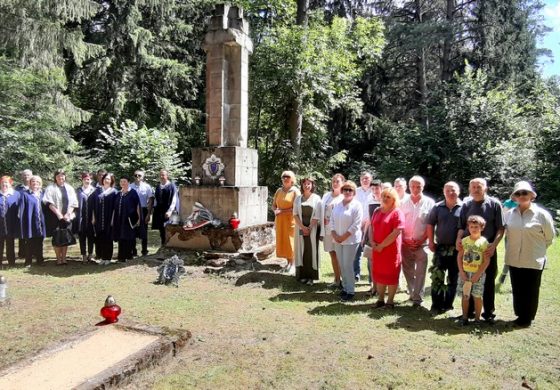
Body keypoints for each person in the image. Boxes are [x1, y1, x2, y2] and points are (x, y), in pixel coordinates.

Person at [504, 181, 556, 327]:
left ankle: (527, 318)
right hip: (514, 258)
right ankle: (520, 314)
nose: (521, 196)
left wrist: (537, 250)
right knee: (517, 288)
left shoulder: (542, 215)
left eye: (524, 193)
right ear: (514, 197)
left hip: (533, 258)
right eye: (518, 193)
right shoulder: (509, 215)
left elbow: (549, 237)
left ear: (531, 195)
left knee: (531, 290)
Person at [455, 178, 504, 323]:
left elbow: (501, 228)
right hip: (469, 251)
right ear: (470, 189)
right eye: (473, 187)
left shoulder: (494, 204)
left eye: (479, 186)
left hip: (486, 251)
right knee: (468, 280)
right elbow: (461, 226)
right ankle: (468, 313)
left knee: (487, 282)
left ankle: (488, 314)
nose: (476, 189)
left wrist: (494, 245)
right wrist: (458, 239)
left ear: (486, 188)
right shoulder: (466, 205)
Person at [427, 181, 462, 314]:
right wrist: (430, 241)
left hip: (457, 249)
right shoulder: (437, 207)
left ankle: (448, 305)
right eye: (448, 190)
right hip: (440, 248)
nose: (451, 193)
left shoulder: (464, 207)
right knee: (437, 277)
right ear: (443, 192)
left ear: (458, 191)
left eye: (453, 190)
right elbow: (430, 224)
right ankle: (436, 305)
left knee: (453, 278)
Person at [400, 175, 435, 307]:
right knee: (407, 269)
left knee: (420, 271)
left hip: (422, 243)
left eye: (418, 186)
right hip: (405, 242)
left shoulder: (430, 202)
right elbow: (399, 223)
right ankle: (412, 292)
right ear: (409, 187)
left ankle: (418, 297)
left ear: (423, 187)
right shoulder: (402, 202)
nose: (415, 189)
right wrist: (404, 239)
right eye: (413, 186)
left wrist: (421, 240)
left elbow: (430, 225)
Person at [371, 187, 405, 309]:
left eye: (388, 197)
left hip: (390, 250)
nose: (385, 198)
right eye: (384, 196)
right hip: (377, 249)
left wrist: (382, 245)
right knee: (379, 274)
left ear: (394, 200)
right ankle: (380, 300)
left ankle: (390, 302)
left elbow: (396, 232)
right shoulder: (376, 211)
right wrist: (372, 242)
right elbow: (371, 227)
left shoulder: (397, 213)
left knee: (391, 275)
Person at [330, 180, 363, 301]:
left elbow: (356, 224)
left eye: (350, 190)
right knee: (341, 264)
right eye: (345, 189)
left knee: (347, 265)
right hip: (337, 240)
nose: (347, 192)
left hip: (351, 240)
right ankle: (344, 288)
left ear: (354, 192)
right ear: (342, 191)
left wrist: (343, 236)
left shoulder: (357, 205)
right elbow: (332, 221)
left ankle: (351, 291)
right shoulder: (338, 204)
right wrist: (334, 235)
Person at [457, 215, 490, 326]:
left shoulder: (484, 242)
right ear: (468, 228)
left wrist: (478, 274)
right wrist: (461, 272)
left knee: (477, 296)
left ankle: (477, 319)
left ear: (482, 228)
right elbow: (459, 256)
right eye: (471, 227)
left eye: (476, 227)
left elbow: (486, 261)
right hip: (465, 273)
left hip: (478, 274)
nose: (474, 229)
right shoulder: (465, 241)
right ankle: (465, 318)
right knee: (465, 295)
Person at [43, 169, 78, 265]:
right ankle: (58, 259)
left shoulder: (70, 188)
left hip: (67, 217)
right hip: (55, 217)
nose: (61, 178)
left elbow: (74, 203)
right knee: (57, 238)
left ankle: (64, 258)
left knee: (65, 237)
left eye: (62, 176)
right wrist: (58, 214)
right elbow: (48, 202)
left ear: (65, 177)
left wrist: (68, 214)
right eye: (58, 176)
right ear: (55, 177)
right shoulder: (50, 188)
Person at [293, 177, 322, 285]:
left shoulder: (317, 198)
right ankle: (302, 275)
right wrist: (302, 227)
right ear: (302, 185)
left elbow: (317, 215)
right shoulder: (298, 199)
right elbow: (295, 214)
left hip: (312, 229)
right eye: (304, 184)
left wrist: (309, 228)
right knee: (301, 250)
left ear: (312, 185)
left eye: (309, 184)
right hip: (300, 228)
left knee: (310, 251)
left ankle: (311, 277)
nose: (306, 185)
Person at [272, 170, 300, 274]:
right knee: (283, 241)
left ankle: (293, 265)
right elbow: (274, 204)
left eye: (287, 177)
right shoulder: (279, 191)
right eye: (283, 176)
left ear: (292, 179)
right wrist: (275, 210)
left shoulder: (295, 191)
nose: (285, 178)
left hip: (291, 221)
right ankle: (288, 263)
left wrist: (282, 211)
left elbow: (297, 208)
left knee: (291, 242)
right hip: (280, 221)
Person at [321, 174, 345, 287]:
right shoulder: (326, 195)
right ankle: (337, 279)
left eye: (338, 181)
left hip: (338, 231)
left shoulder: (344, 196)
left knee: (340, 255)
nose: (335, 183)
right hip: (327, 230)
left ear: (343, 183)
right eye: (333, 181)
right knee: (332, 254)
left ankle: (344, 280)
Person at [113, 176, 142, 262]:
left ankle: (129, 256)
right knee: (121, 238)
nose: (122, 183)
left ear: (128, 182)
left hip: (130, 219)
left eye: (124, 181)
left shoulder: (133, 192)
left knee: (129, 238)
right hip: (120, 219)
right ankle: (121, 257)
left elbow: (137, 206)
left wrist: (139, 219)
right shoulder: (118, 193)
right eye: (121, 181)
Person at [20, 176, 46, 267]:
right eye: (33, 182)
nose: (35, 183)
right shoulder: (25, 194)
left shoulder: (43, 194)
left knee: (40, 241)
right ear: (30, 183)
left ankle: (40, 260)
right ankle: (28, 261)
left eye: (37, 182)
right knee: (29, 242)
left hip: (40, 222)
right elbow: (22, 209)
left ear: (40, 184)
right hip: (30, 221)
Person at [92, 173, 118, 265]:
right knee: (100, 238)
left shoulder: (114, 192)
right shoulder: (97, 191)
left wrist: (112, 219)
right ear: (102, 180)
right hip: (99, 218)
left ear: (111, 181)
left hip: (109, 218)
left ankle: (108, 258)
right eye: (105, 178)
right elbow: (94, 206)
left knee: (108, 238)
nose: (106, 180)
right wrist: (94, 217)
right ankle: (102, 257)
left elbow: (115, 208)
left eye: (108, 179)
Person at [353, 172, 372, 281]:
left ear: (371, 179)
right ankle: (356, 274)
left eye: (367, 178)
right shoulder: (356, 191)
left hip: (370, 226)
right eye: (363, 179)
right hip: (357, 226)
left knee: (370, 253)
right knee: (356, 252)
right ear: (360, 180)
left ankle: (372, 278)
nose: (365, 180)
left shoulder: (374, 191)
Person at [130, 169, 154, 256]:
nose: (137, 177)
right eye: (135, 175)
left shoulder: (147, 187)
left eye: (139, 175)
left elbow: (151, 200)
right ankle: (133, 251)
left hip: (143, 210)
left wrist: (149, 214)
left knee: (144, 232)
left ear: (143, 177)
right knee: (132, 231)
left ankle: (144, 251)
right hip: (132, 211)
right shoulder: (130, 186)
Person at [152, 169, 177, 246]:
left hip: (168, 211)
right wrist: (154, 208)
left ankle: (169, 245)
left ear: (167, 176)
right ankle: (163, 245)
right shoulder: (158, 186)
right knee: (161, 230)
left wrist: (170, 211)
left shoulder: (172, 186)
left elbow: (174, 199)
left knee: (168, 229)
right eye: (160, 175)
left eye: (163, 175)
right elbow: (156, 198)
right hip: (159, 211)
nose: (162, 176)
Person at [0, 176, 21, 267]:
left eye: (6, 183)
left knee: (10, 243)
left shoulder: (16, 194)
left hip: (11, 223)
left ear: (10, 184)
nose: (4, 184)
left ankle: (11, 262)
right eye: (3, 183)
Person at [76, 172, 96, 264]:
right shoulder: (78, 191)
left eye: (88, 179)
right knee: (82, 237)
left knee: (91, 237)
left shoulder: (94, 190)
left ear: (91, 180)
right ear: (82, 180)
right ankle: (83, 255)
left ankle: (90, 255)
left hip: (92, 218)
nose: (87, 181)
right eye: (85, 179)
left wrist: (94, 216)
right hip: (81, 218)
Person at [15, 169, 33, 259]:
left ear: (32, 176)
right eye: (24, 175)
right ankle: (22, 253)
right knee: (22, 234)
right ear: (22, 177)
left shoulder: (35, 186)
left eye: (28, 175)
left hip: (32, 214)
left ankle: (33, 253)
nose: (26, 177)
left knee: (32, 234)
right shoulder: (18, 188)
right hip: (21, 214)